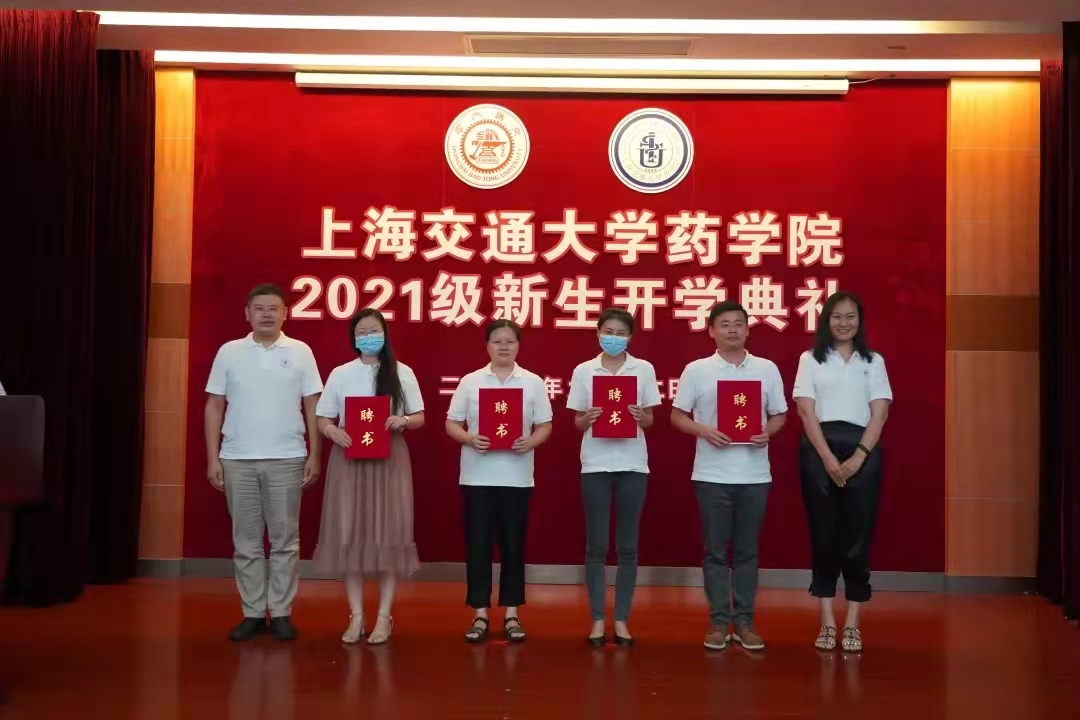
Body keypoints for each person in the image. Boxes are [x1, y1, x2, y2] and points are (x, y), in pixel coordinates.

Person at [204, 283, 323, 642]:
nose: (267, 314)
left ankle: (282, 612)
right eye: (260, 308)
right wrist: (213, 457)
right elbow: (214, 405)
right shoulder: (230, 352)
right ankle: (253, 612)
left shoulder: (301, 351)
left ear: (285, 313)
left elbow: (313, 405)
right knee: (247, 541)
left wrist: (314, 453)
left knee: (285, 540)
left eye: (274, 308)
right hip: (236, 458)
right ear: (247, 313)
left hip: (287, 457)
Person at [671, 300, 787, 652]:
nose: (732, 329)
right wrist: (704, 430)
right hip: (712, 475)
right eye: (724, 324)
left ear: (748, 329)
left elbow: (779, 414)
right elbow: (677, 416)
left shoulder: (766, 369)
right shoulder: (697, 370)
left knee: (748, 552)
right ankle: (720, 621)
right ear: (711, 331)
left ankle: (746, 622)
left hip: (755, 475)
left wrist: (768, 431)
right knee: (716, 552)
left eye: (739, 323)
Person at [313, 308, 424, 645]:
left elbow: (419, 416)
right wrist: (332, 431)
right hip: (349, 460)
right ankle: (357, 615)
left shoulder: (401, 372)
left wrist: (403, 421)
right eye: (361, 332)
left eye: (374, 330)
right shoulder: (340, 373)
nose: (368, 337)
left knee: (388, 534)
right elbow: (322, 417)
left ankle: (384, 616)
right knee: (350, 533)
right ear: (353, 338)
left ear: (385, 334)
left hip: (389, 460)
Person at [793, 292, 892, 654]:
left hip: (862, 451)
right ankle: (826, 620)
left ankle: (852, 620)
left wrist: (860, 455)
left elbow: (879, 413)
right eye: (837, 316)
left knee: (858, 535)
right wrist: (827, 458)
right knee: (824, 535)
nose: (844, 323)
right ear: (826, 320)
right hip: (819, 451)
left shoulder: (873, 361)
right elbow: (806, 411)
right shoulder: (810, 359)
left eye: (850, 317)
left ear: (859, 321)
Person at [445, 319, 553, 643]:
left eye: (509, 341)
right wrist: (469, 437)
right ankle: (479, 612)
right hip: (477, 477)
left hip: (517, 478)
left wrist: (531, 442)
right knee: (478, 545)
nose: (503, 346)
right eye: (497, 341)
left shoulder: (533, 382)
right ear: (487, 346)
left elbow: (545, 425)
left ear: (518, 346)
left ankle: (511, 613)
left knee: (513, 546)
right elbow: (451, 423)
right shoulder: (471, 381)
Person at [566, 307, 661, 647]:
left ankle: (621, 619)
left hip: (633, 465)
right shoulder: (584, 370)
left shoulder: (643, 369)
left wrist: (638, 415)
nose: (614, 338)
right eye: (608, 331)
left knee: (628, 547)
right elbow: (577, 421)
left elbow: (650, 420)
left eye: (621, 333)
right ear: (597, 333)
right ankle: (597, 618)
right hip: (595, 465)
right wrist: (588, 418)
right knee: (596, 546)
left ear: (630, 336)